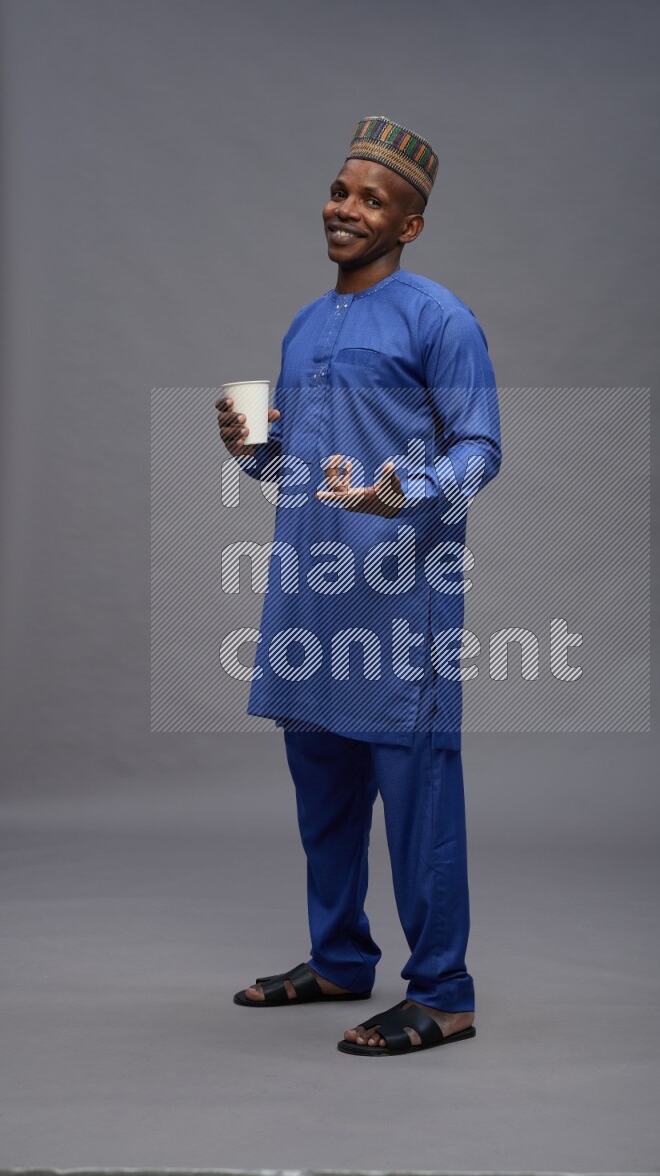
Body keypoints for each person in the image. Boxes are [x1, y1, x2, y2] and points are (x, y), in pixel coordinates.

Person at [214, 116, 501, 1055]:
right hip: (311, 595)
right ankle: (338, 958)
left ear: (409, 225)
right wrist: (251, 445)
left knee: (418, 798)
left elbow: (481, 452)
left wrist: (403, 492)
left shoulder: (439, 318)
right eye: (342, 190)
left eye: (373, 200)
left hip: (397, 601)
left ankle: (445, 992)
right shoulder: (305, 323)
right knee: (323, 794)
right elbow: (296, 462)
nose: (347, 208)